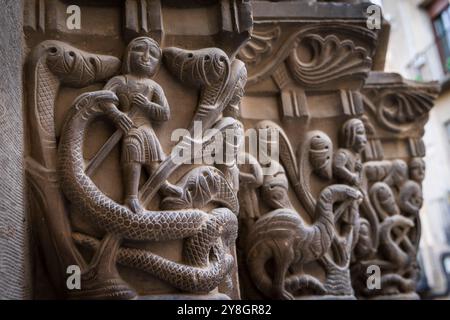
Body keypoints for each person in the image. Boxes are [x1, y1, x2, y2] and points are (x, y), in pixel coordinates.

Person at [104, 37, 181, 213]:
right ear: (129, 54)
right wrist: (116, 114)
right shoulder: (120, 81)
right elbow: (103, 99)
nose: (146, 57)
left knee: (153, 161)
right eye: (140, 50)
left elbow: (165, 113)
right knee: (133, 156)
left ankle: (163, 185)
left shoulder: (153, 86)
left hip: (147, 128)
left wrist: (147, 105)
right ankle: (131, 197)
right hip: (130, 128)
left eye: (153, 54)